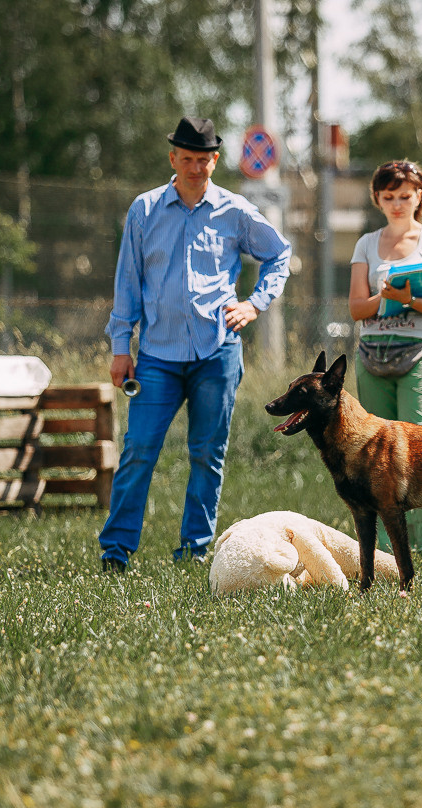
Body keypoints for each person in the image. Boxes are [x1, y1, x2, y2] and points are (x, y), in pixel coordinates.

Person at [98, 116, 291, 572]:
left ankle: (194, 548)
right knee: (139, 449)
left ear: (215, 161)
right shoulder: (143, 211)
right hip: (156, 358)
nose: (195, 168)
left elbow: (279, 253)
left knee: (207, 452)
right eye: (187, 159)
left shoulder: (235, 210)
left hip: (217, 352)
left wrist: (255, 304)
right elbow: (128, 282)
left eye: (204, 160)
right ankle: (116, 552)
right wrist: (120, 347)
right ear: (173, 159)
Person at [348, 159, 422, 553]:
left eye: (405, 196)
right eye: (389, 196)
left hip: (420, 352)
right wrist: (385, 297)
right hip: (373, 352)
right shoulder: (366, 243)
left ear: (419, 197)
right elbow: (358, 308)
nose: (397, 203)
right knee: (375, 450)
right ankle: (384, 546)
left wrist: (409, 297)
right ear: (377, 199)